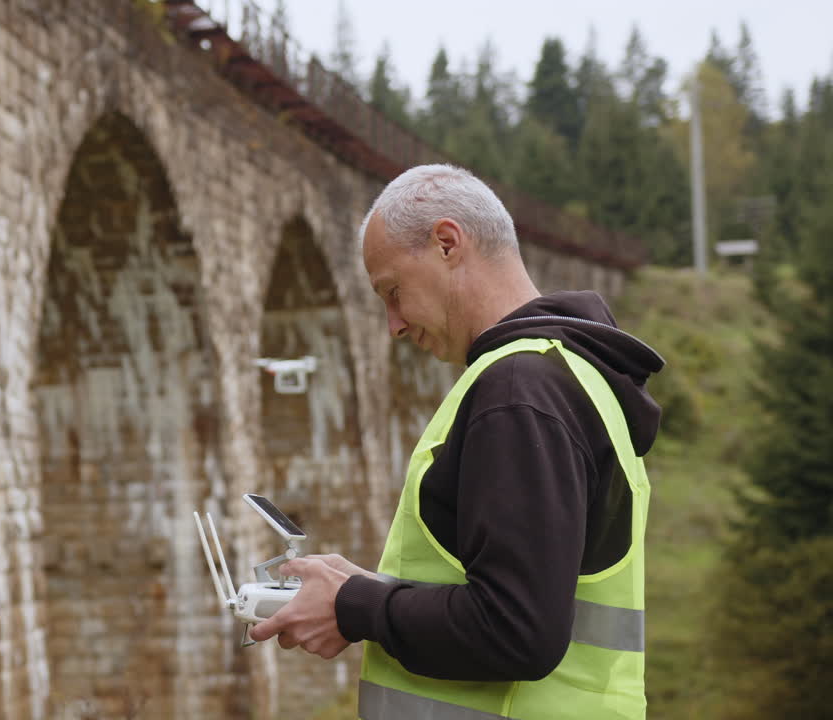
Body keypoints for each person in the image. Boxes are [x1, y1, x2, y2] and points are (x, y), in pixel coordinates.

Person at [249, 164, 663, 720]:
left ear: (447, 243)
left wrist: (357, 607)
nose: (393, 324)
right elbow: (524, 586)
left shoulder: (519, 390)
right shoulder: (570, 376)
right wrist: (370, 590)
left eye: (393, 291)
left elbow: (518, 630)